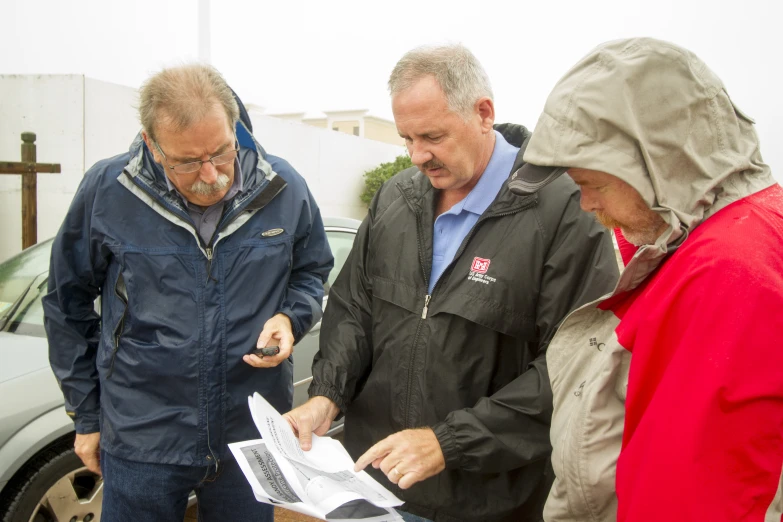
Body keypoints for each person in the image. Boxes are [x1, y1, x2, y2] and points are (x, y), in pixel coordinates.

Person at [285, 44, 619, 521]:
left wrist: (449, 443)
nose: (418, 155)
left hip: (488, 500)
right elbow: (353, 310)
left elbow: (576, 366)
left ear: (484, 114)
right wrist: (326, 395)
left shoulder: (565, 210)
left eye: (433, 136)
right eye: (406, 138)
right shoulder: (395, 198)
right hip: (373, 483)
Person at [43, 64, 333, 521]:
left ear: (234, 128)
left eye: (221, 152)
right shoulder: (107, 189)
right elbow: (66, 304)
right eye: (187, 161)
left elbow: (313, 271)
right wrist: (86, 415)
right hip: (143, 439)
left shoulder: (284, 186)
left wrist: (292, 317)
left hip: (251, 434)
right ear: (152, 145)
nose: (211, 174)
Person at [510, 37, 783, 521]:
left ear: (655, 161)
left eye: (591, 184)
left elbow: (695, 495)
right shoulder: (708, 237)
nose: (586, 204)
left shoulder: (726, 270)